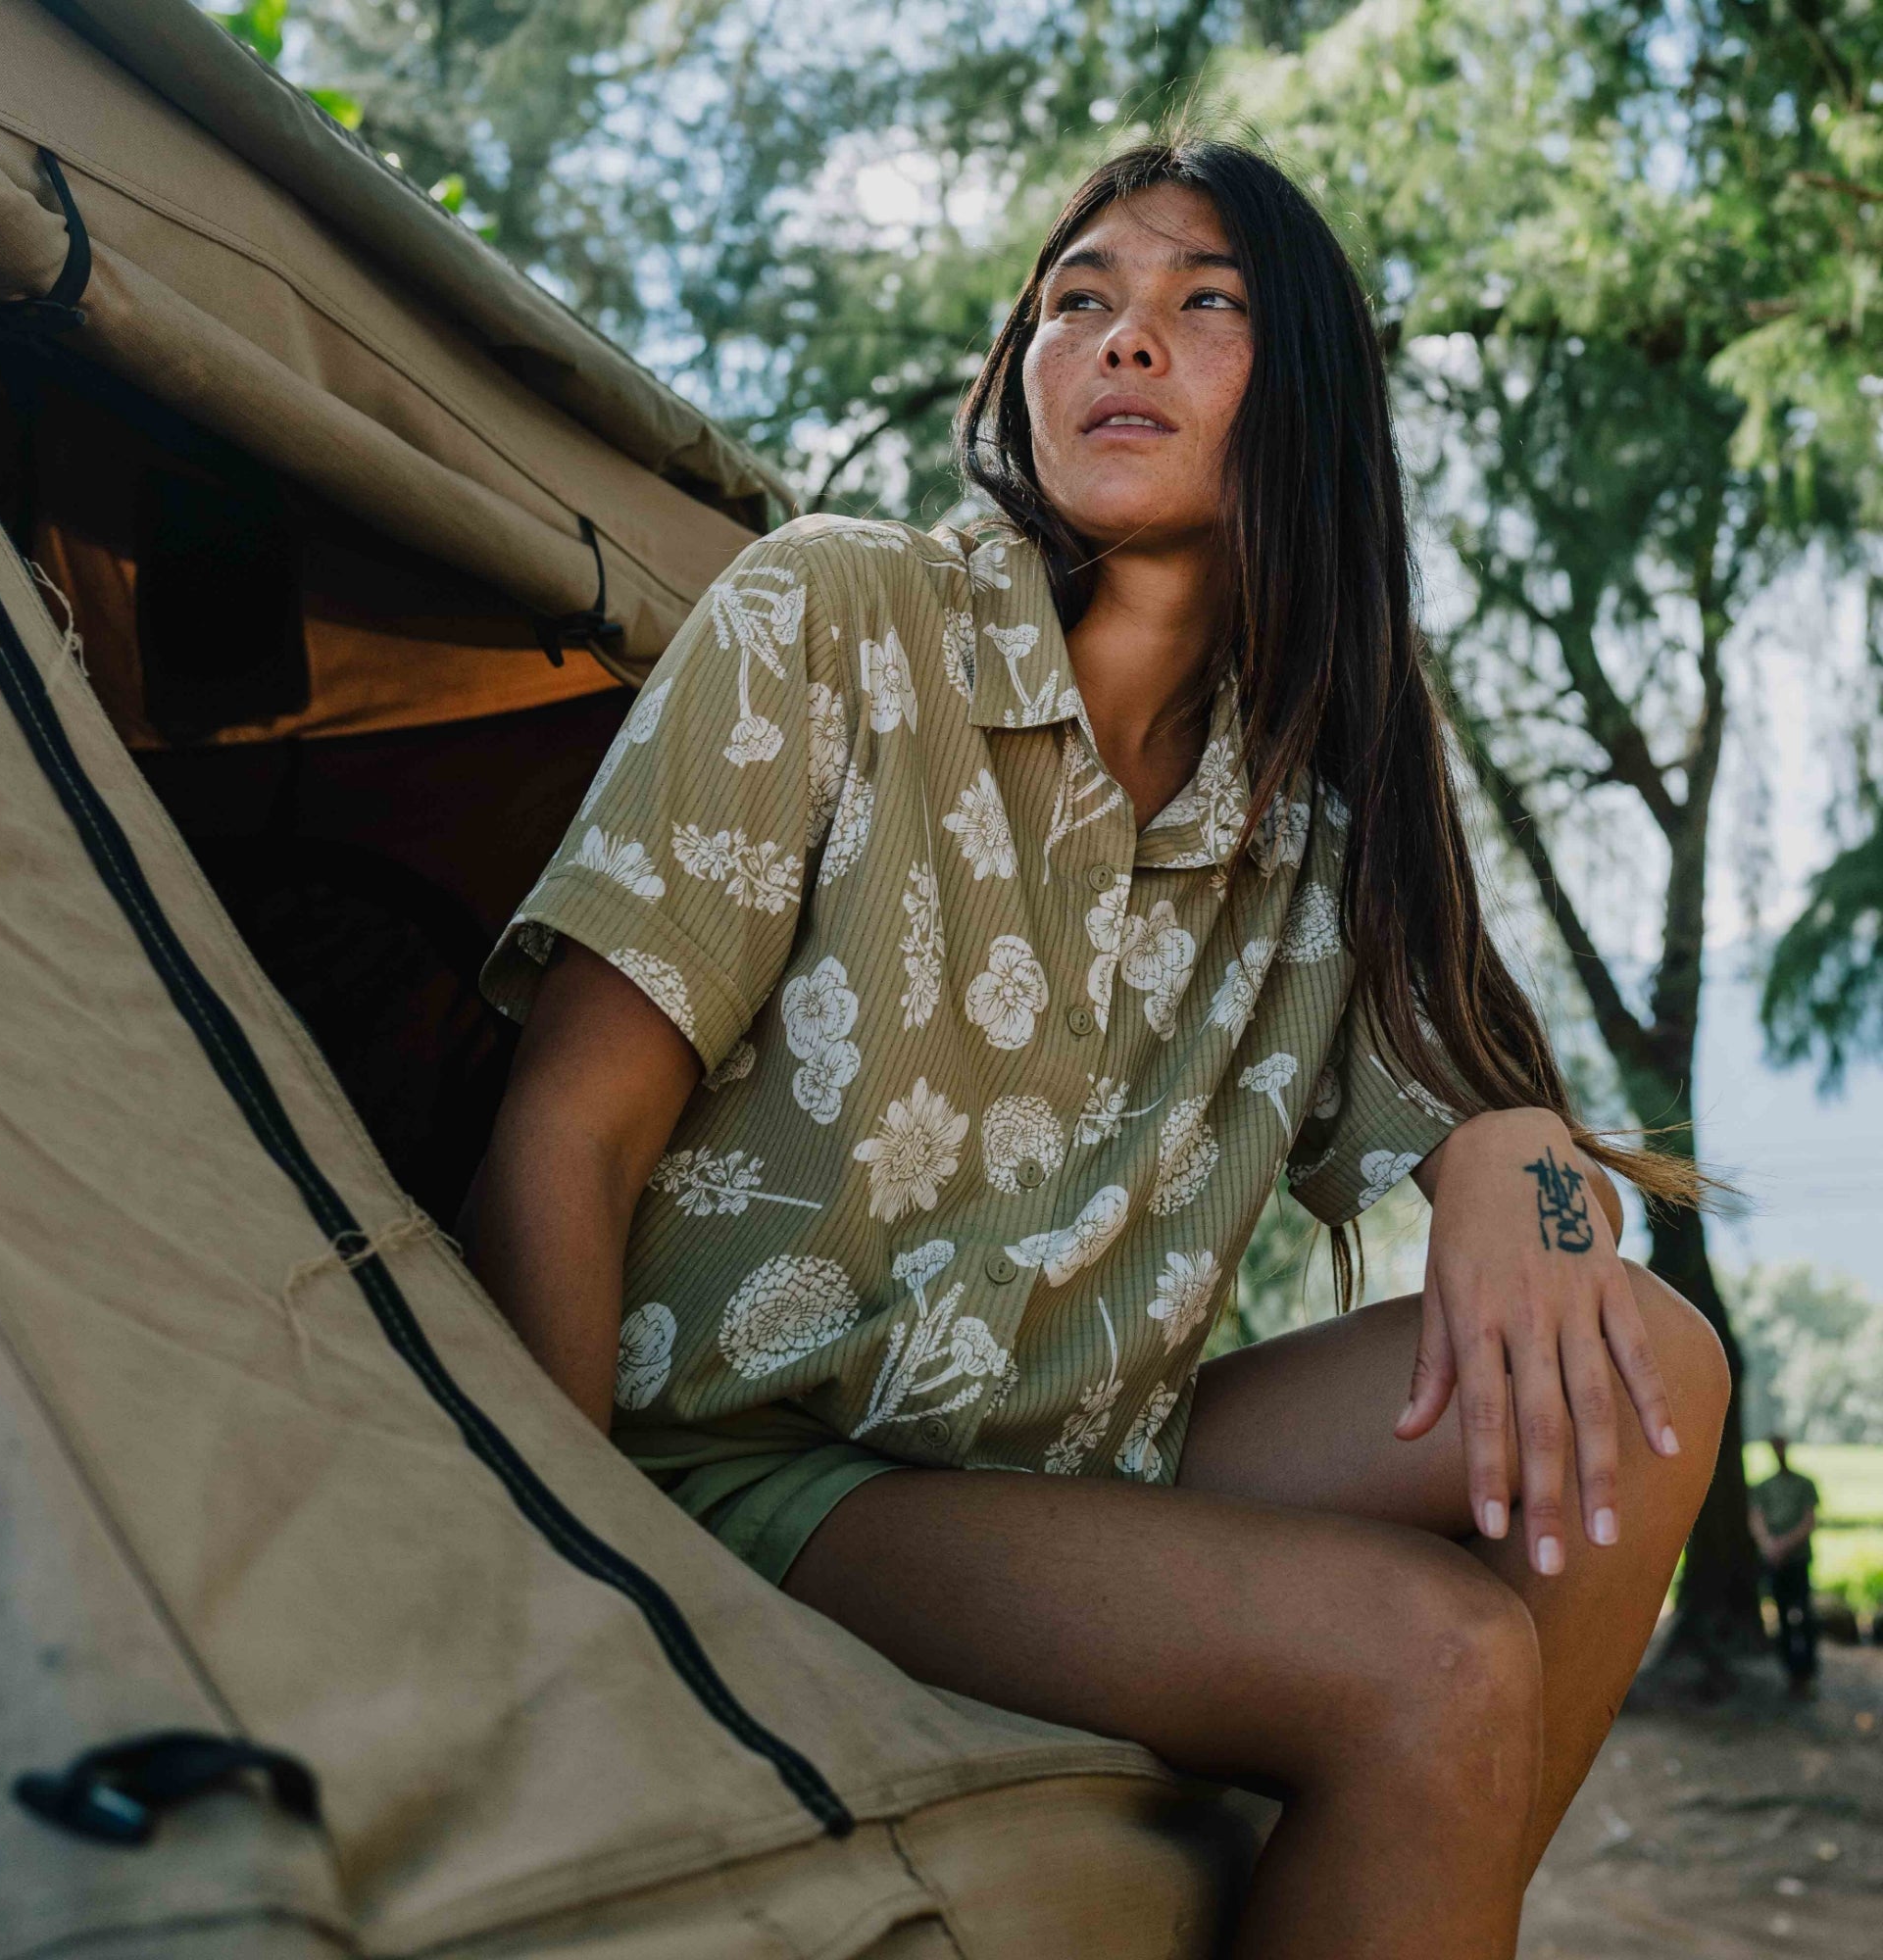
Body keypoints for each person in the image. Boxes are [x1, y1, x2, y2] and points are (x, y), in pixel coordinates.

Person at [462, 134, 1733, 1960]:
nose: (1121, 338)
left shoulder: (1313, 822)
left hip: (1084, 1458)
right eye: (1079, 301)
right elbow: (565, 1131)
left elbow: (1494, 1152)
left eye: (1201, 303)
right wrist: (561, 1587)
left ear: (1302, 401)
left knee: (1654, 1369)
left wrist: (1510, 1155)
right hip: (768, 1463)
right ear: (1022, 375)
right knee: (1433, 1664)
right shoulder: (828, 616)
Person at [1750, 1433, 1821, 1694]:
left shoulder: (1804, 1484)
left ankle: (1807, 1670)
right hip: (1774, 1560)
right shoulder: (1763, 1487)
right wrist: (1769, 1545)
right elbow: (1756, 1518)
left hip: (1797, 1559)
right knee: (1780, 1616)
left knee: (1803, 1614)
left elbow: (1809, 1520)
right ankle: (1790, 1671)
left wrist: (1783, 1545)